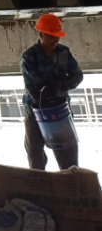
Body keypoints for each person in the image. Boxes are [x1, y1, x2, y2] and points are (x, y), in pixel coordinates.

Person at [20, 14, 83, 170]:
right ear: (41, 34)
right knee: (35, 154)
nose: (55, 40)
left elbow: (77, 75)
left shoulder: (64, 53)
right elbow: (34, 90)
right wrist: (52, 93)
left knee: (68, 154)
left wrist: (60, 86)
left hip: (61, 110)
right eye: (51, 36)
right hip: (35, 111)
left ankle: (71, 181)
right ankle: (39, 182)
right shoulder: (29, 57)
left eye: (57, 36)